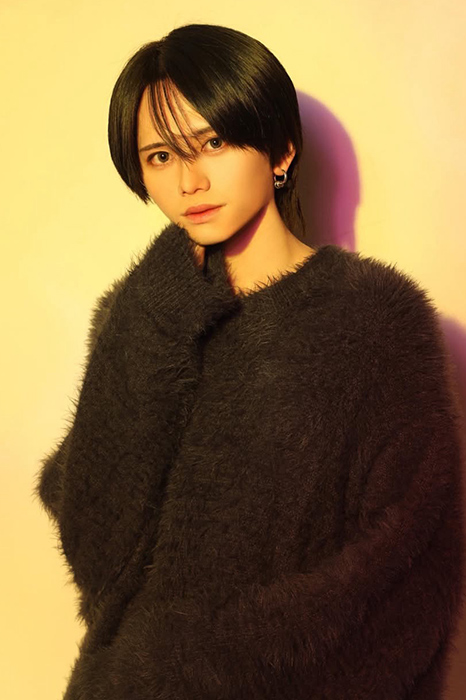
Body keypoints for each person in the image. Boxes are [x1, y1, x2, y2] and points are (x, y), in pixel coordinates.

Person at [34, 23, 465, 700]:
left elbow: (409, 573)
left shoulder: (374, 321)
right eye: (160, 156)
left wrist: (194, 669)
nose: (190, 180)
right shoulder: (137, 315)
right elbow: (98, 559)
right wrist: (152, 315)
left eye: (213, 143)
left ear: (281, 149)